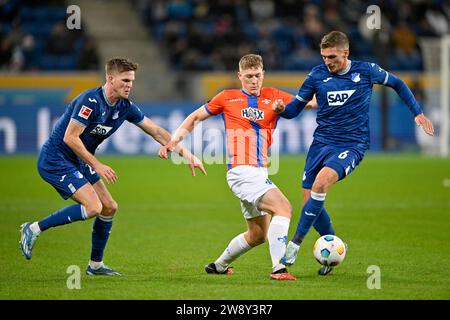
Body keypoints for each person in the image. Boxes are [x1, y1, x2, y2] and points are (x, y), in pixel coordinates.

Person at [19, 57, 206, 276]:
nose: (129, 85)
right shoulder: (90, 101)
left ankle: (95, 265)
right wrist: (97, 165)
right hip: (56, 159)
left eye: (132, 81)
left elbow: (156, 131)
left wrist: (187, 154)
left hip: (79, 159)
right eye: (125, 80)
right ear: (110, 78)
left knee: (109, 207)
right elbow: (70, 138)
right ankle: (33, 228)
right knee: (93, 208)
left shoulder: (125, 107)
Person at [272, 30, 434, 275]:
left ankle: (295, 243)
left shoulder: (367, 70)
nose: (328, 62)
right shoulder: (316, 75)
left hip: (351, 145)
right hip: (321, 144)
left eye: (333, 57)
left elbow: (398, 83)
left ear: (345, 53)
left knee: (320, 185)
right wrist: (281, 109)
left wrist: (417, 113)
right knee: (309, 202)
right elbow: (294, 109)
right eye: (324, 56)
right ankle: (334, 250)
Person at [159, 54, 315, 281]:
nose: (254, 81)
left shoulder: (274, 96)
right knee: (284, 208)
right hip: (242, 171)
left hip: (259, 172)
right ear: (239, 76)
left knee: (258, 234)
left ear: (264, 74)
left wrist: (334, 94)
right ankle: (278, 269)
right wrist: (174, 141)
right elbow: (195, 118)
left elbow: (310, 103)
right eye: (249, 76)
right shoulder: (227, 97)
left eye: (258, 76)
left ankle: (219, 265)